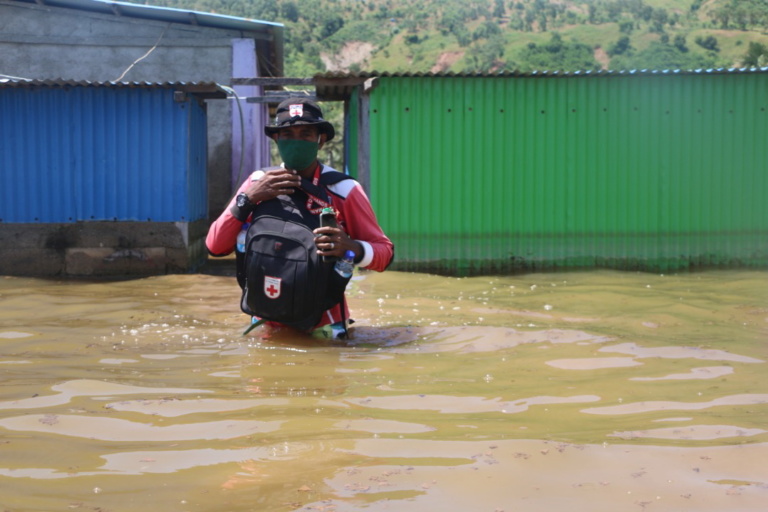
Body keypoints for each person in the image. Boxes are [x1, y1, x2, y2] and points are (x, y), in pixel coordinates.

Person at [206, 97, 394, 338]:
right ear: (276, 139)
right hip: (264, 319)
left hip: (323, 325)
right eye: (287, 134)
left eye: (305, 134)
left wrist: (351, 248)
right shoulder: (257, 182)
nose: (296, 141)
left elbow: (385, 254)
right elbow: (215, 246)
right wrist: (248, 200)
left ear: (321, 140)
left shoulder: (344, 190)